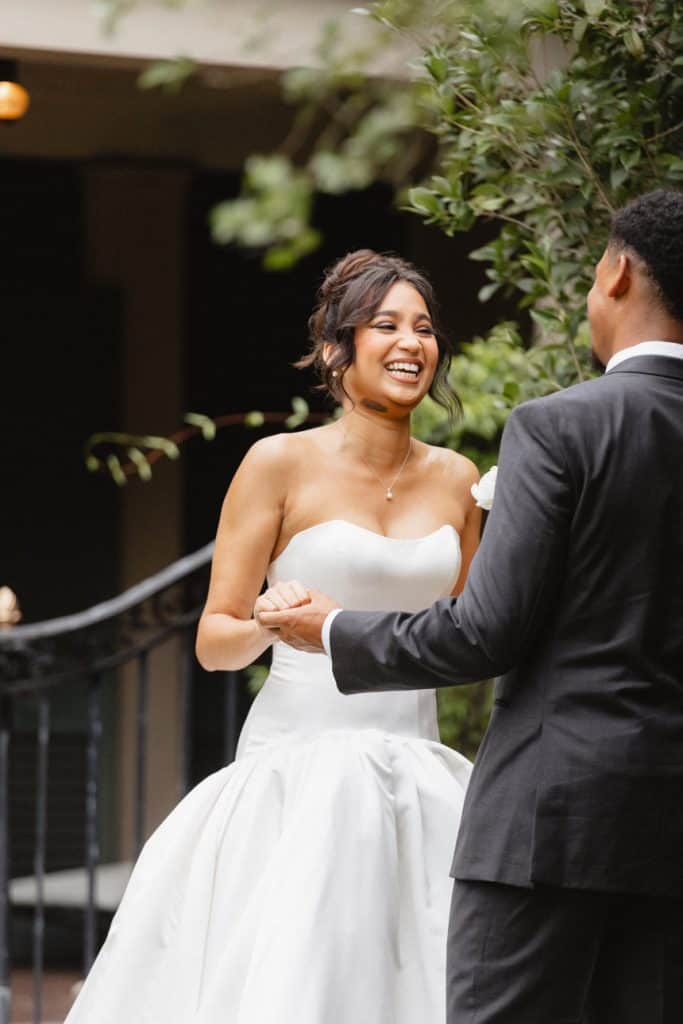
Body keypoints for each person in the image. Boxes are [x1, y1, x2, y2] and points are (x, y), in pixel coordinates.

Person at [259, 188, 683, 1023]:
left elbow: (487, 627)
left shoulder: (562, 428)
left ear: (618, 273)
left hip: (548, 825)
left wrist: (331, 629)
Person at [63, 250, 479, 1024]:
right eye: (384, 324)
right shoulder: (277, 463)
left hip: (421, 781)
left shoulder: (460, 480)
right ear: (335, 348)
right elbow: (213, 641)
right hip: (298, 780)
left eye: (423, 327)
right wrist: (265, 618)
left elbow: (471, 635)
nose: (410, 343)